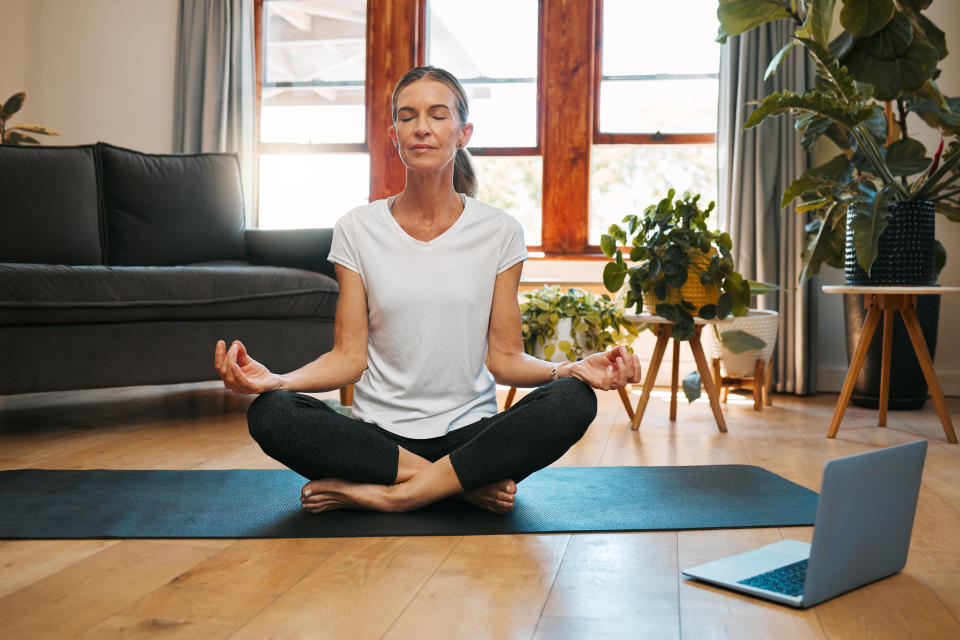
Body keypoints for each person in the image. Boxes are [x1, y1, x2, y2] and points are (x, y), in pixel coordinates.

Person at [214, 66, 641, 515]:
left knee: (573, 400)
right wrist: (278, 381)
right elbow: (347, 358)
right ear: (393, 133)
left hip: (470, 435)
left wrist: (573, 369)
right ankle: (457, 485)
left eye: (438, 115)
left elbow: (505, 360)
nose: (421, 127)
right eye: (407, 116)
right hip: (380, 438)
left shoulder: (500, 231)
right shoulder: (356, 229)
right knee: (270, 412)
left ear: (463, 133)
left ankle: (389, 495)